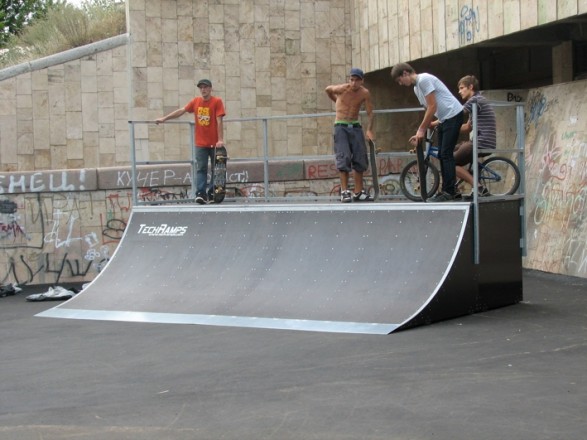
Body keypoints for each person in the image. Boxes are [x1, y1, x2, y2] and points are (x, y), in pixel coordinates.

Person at [391, 63, 464, 202]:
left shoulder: (424, 79)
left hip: (453, 114)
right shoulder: (416, 88)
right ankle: (452, 190)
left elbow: (433, 105)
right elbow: (430, 110)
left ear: (405, 73)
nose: (401, 84)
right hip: (444, 118)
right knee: (442, 154)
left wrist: (422, 129)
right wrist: (427, 125)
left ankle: (449, 191)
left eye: (400, 80)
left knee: (445, 153)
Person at [156, 79, 226, 204]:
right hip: (200, 143)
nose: (203, 90)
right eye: (201, 88)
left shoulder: (217, 101)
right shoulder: (196, 102)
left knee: (216, 169)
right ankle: (200, 194)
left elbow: (219, 120)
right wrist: (164, 119)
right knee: (201, 168)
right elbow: (181, 111)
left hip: (214, 143)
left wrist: (220, 139)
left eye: (205, 87)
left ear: (210, 88)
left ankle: (212, 193)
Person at [325, 68, 375, 203]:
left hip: (355, 126)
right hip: (341, 126)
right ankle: (344, 191)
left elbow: (370, 112)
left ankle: (358, 192)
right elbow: (328, 89)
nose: (354, 83)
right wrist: (336, 101)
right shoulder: (342, 89)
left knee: (360, 158)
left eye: (357, 80)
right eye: (352, 80)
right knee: (344, 157)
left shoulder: (364, 93)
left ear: (362, 81)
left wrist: (369, 130)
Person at [455, 75, 496, 199]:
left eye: (462, 88)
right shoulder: (476, 103)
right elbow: (467, 127)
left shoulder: (475, 100)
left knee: (449, 162)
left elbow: (456, 115)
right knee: (451, 150)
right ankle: (455, 187)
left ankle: (478, 187)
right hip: (481, 141)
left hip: (481, 142)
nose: (459, 91)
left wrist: (435, 123)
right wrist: (446, 128)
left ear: (470, 87)